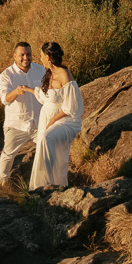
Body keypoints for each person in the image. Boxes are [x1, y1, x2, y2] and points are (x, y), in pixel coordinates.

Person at [28, 41, 84, 190]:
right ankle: (42, 185)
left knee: (47, 139)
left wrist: (53, 119)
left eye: (41, 56)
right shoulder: (49, 73)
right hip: (46, 116)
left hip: (65, 119)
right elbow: (46, 97)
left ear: (47, 57)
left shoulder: (64, 74)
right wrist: (28, 89)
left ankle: (51, 183)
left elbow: (71, 107)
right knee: (44, 146)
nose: (39, 58)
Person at [0, 41, 45, 184]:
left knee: (47, 148)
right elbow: (4, 99)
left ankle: (43, 180)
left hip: (39, 121)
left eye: (28, 54)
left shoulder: (40, 70)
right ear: (15, 56)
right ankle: (3, 181)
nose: (26, 58)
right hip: (17, 124)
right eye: (22, 55)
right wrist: (16, 92)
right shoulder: (6, 75)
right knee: (8, 154)